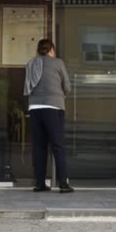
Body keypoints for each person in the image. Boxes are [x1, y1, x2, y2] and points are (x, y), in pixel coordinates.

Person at [24, 38, 74, 193]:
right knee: (58, 145)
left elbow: (28, 85)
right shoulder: (57, 63)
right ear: (51, 50)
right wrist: (61, 94)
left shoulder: (31, 63)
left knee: (39, 146)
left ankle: (40, 183)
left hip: (34, 108)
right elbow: (67, 86)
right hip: (53, 107)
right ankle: (63, 183)